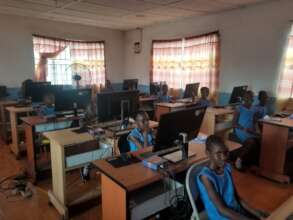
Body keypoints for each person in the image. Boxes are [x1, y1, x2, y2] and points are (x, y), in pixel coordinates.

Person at [197, 135, 267, 220]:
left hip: (236, 212)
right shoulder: (206, 177)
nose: (224, 157)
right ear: (208, 153)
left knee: (266, 216)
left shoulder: (227, 168)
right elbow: (222, 210)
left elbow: (237, 198)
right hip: (222, 217)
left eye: (226, 152)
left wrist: (258, 215)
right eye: (218, 154)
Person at [232, 90, 259, 170]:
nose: (249, 99)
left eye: (251, 97)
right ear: (243, 98)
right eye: (247, 97)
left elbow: (254, 122)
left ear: (253, 99)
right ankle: (238, 160)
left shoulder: (254, 109)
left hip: (251, 131)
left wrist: (255, 129)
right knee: (251, 142)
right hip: (241, 130)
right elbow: (234, 124)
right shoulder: (239, 108)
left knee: (261, 140)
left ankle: (251, 163)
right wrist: (245, 129)